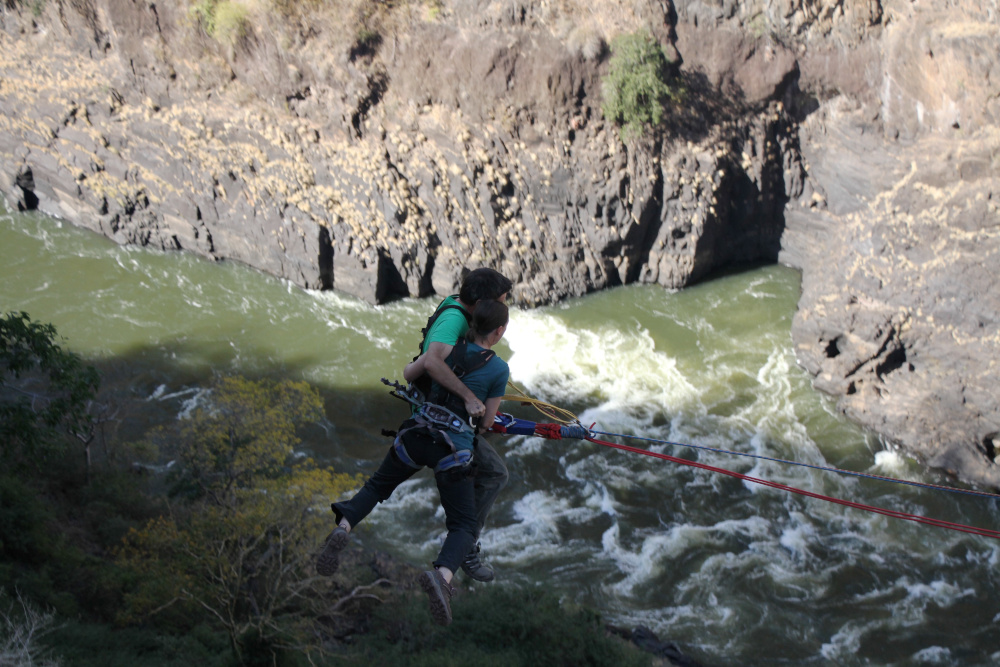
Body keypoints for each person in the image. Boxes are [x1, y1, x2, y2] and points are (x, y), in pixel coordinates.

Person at [316, 299, 511, 626]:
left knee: (377, 486)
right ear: (500, 331)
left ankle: (344, 526)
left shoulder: (445, 350)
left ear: (471, 322)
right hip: (452, 450)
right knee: (463, 525)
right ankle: (442, 576)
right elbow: (488, 423)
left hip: (415, 434)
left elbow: (410, 373)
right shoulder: (499, 368)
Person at [411, 267, 513, 582]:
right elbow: (431, 360)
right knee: (495, 473)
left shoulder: (455, 310)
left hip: (436, 407)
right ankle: (465, 545)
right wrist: (475, 402)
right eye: (500, 303)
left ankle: (462, 538)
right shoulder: (456, 321)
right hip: (440, 415)